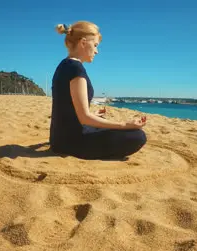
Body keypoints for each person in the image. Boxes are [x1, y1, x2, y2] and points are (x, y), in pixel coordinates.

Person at [49, 21, 147, 160]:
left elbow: (67, 108)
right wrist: (125, 124)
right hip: (71, 142)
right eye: (95, 45)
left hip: (59, 138)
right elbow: (84, 118)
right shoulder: (75, 69)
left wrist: (93, 114)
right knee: (137, 136)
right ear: (83, 43)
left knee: (108, 125)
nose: (96, 51)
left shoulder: (64, 65)